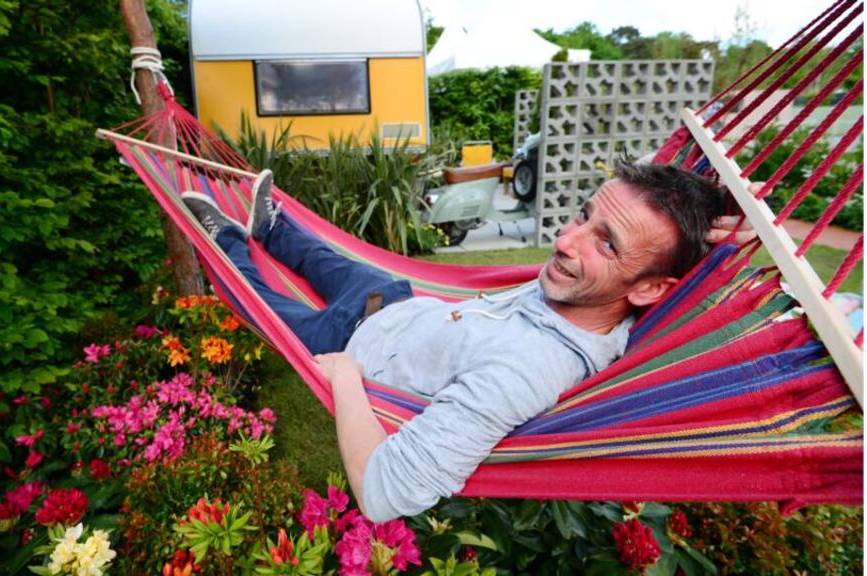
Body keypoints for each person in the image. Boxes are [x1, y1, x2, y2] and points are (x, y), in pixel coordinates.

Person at [181, 161, 730, 522]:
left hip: (347, 342)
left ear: (653, 288)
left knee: (265, 304)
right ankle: (272, 226)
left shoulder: (526, 371)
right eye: (584, 216)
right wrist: (722, 211)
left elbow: (384, 492)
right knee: (327, 260)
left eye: (604, 244)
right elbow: (660, 247)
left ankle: (225, 240)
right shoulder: (599, 295)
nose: (565, 240)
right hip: (399, 304)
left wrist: (346, 377)